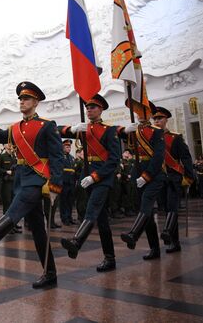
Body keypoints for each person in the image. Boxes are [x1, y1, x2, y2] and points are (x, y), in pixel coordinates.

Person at [0, 81, 63, 288]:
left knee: (15, 210)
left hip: (37, 179)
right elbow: (0, 136)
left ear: (36, 102)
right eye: (20, 98)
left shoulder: (47, 125)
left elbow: (57, 157)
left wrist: (55, 185)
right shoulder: (16, 128)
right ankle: (50, 272)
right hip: (22, 178)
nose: (22, 101)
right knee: (38, 228)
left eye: (26, 98)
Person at [59, 94, 120, 272]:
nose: (89, 110)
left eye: (93, 107)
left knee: (91, 209)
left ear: (101, 110)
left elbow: (114, 160)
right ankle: (110, 258)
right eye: (87, 107)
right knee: (101, 221)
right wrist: (72, 128)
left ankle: (76, 241)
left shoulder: (109, 130)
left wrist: (95, 176)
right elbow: (55, 129)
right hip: (88, 178)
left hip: (102, 178)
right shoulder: (83, 129)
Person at [120, 101, 166, 260]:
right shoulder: (135, 130)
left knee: (146, 203)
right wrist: (126, 131)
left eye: (143, 111)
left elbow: (159, 156)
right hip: (137, 172)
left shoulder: (157, 131)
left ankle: (134, 233)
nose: (139, 114)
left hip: (153, 174)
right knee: (144, 210)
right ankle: (154, 249)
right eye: (138, 111)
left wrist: (146, 177)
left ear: (150, 114)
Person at [152, 106, 195, 253]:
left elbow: (186, 157)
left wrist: (189, 176)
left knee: (172, 207)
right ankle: (174, 242)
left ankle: (170, 236)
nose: (157, 121)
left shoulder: (175, 137)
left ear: (166, 120)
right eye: (155, 119)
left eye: (160, 118)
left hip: (173, 177)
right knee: (165, 209)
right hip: (159, 178)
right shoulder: (151, 139)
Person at [0, 144, 20, 233]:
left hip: (14, 183)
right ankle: (6, 227)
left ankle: (13, 224)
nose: (10, 145)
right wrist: (6, 171)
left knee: (14, 205)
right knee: (7, 205)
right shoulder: (2, 157)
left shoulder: (14, 157)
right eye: (8, 144)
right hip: (6, 183)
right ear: (4, 145)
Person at [60, 139, 76, 226]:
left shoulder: (71, 158)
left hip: (71, 182)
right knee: (64, 201)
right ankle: (64, 218)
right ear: (62, 147)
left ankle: (69, 217)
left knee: (70, 202)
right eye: (67, 147)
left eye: (69, 147)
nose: (69, 148)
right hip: (64, 182)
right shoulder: (61, 157)